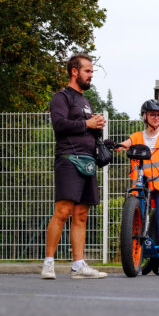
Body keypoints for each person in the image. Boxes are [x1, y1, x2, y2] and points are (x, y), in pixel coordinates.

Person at [41, 53, 108, 279]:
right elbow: (59, 125)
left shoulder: (86, 102)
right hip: (68, 159)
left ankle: (78, 266)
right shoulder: (61, 97)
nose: (91, 76)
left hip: (88, 161)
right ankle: (48, 263)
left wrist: (96, 127)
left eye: (91, 72)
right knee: (62, 211)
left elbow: (84, 127)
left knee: (81, 215)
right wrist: (86, 123)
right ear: (74, 71)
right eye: (88, 71)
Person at [116, 99, 159, 276]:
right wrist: (115, 146)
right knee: (137, 219)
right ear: (144, 116)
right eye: (153, 114)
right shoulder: (137, 136)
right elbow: (125, 145)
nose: (156, 118)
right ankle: (135, 256)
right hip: (142, 182)